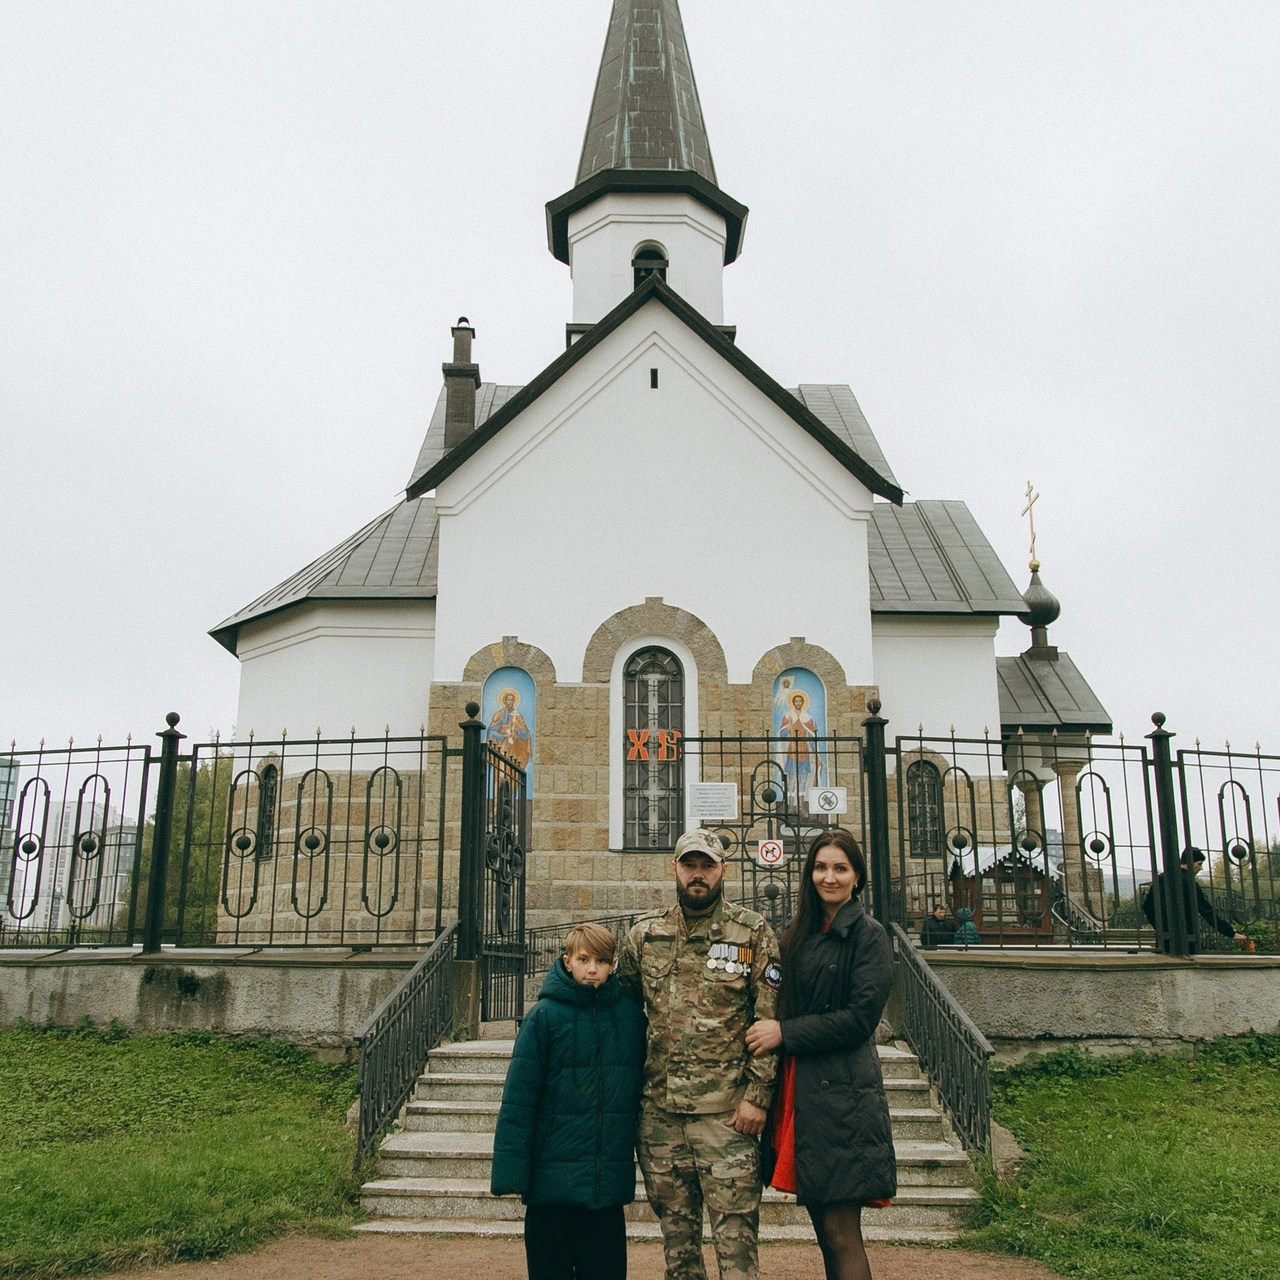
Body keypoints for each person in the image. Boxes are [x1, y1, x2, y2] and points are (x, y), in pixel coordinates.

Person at [616, 829, 781, 1280]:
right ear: (675, 868)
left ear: (722, 870)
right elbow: (627, 1012)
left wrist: (757, 1097)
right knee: (677, 1241)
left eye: (707, 866)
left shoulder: (751, 933)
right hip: (660, 1115)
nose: (698, 875)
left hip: (727, 1114)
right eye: (690, 865)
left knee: (736, 1239)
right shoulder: (644, 935)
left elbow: (768, 1023)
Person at [745, 829, 896, 1280]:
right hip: (804, 1090)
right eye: (821, 867)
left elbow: (858, 1020)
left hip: (844, 1096)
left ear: (857, 878)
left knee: (840, 1232)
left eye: (840, 868)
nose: (829, 877)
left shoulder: (869, 936)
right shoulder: (799, 935)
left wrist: (783, 1033)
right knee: (824, 1230)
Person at [491, 923, 646, 1280]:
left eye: (602, 961)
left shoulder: (629, 1018)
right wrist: (511, 1173)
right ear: (567, 961)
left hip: (602, 1188)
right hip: (550, 1189)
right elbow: (519, 1101)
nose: (592, 969)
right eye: (583, 959)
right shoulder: (543, 1017)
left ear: (614, 965)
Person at [1141, 847, 1247, 955]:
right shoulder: (1189, 883)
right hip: (1187, 936)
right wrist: (1231, 933)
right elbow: (1206, 910)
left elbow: (1147, 906)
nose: (1200, 868)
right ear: (1191, 863)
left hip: (1165, 938)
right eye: (1199, 864)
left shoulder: (1161, 878)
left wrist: (1161, 928)